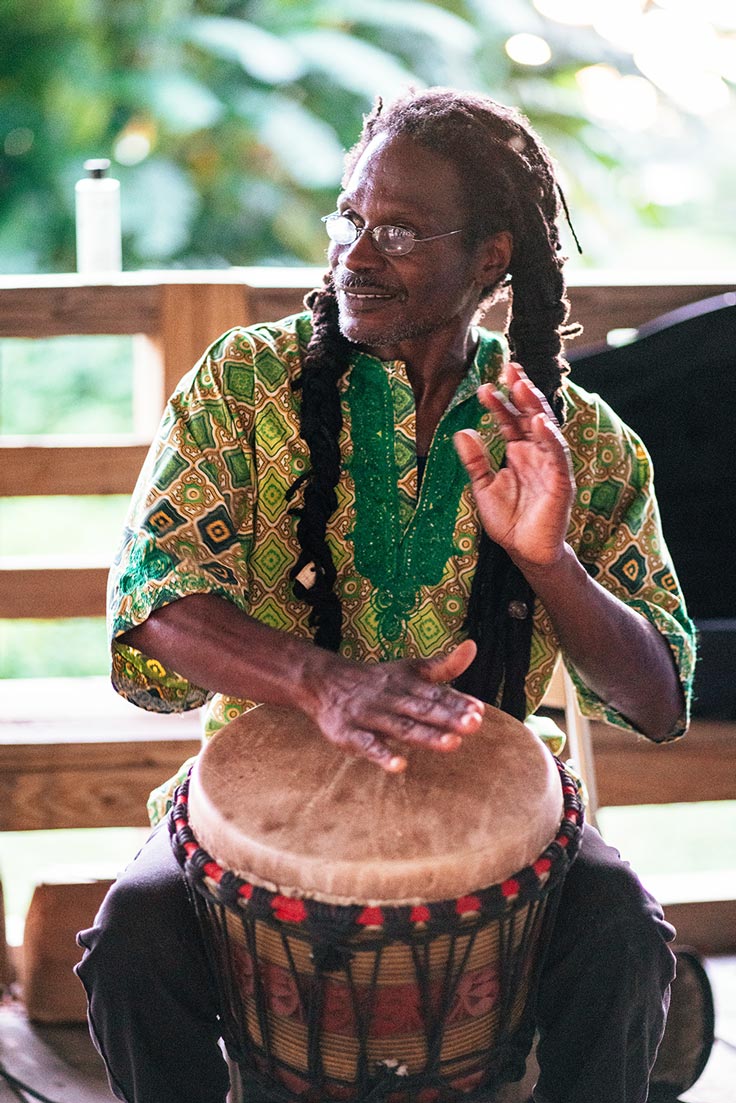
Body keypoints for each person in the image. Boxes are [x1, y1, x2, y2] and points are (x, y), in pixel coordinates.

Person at [76, 87, 695, 1103]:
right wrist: (324, 682)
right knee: (130, 942)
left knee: (624, 934)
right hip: (251, 806)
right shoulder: (245, 382)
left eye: (398, 232)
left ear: (489, 257)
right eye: (350, 219)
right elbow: (153, 593)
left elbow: (659, 694)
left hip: (499, 805)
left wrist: (550, 561)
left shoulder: (572, 439)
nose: (354, 254)